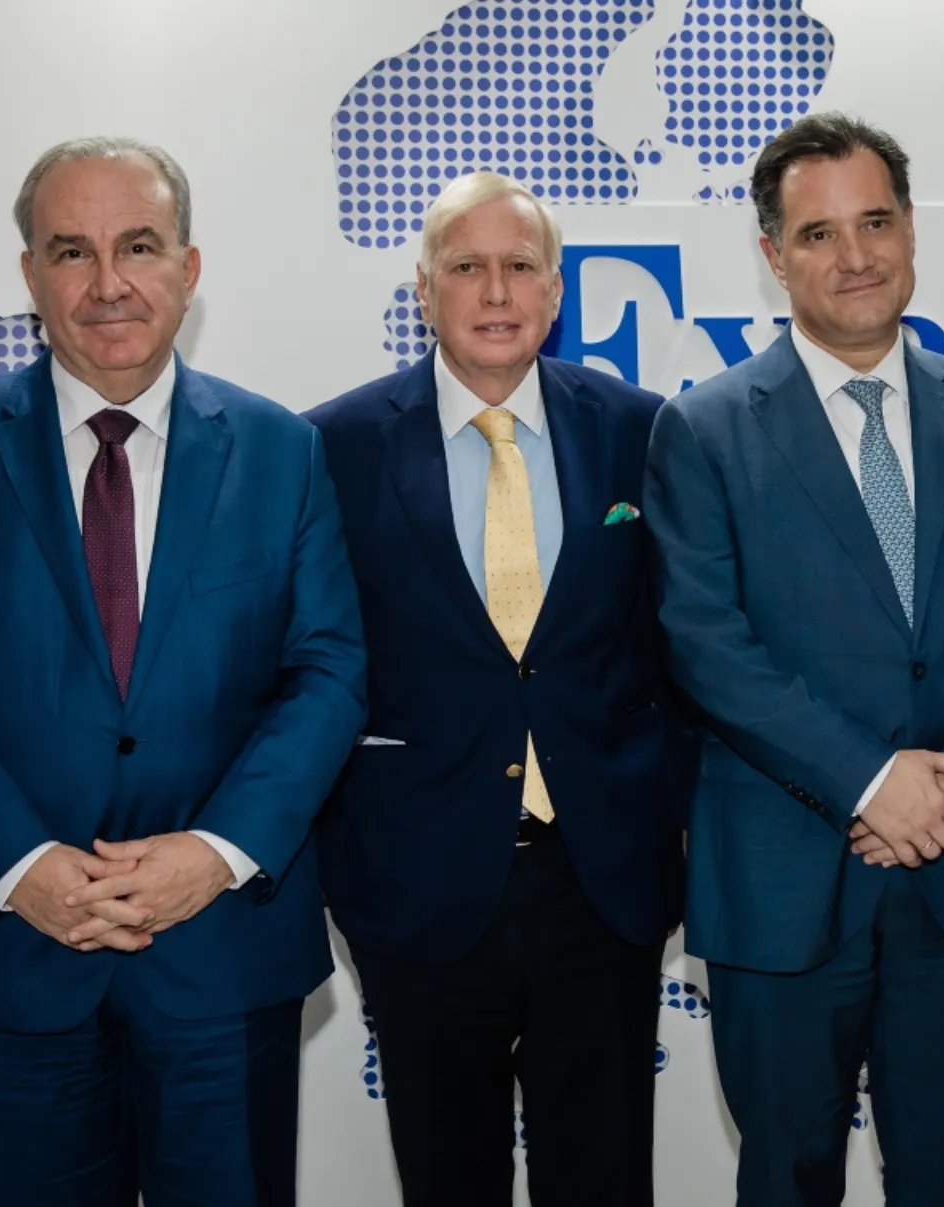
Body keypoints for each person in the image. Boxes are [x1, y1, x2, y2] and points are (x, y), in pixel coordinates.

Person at [0, 136, 366, 1207]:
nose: (108, 283)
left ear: (188, 266)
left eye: (138, 245)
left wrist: (215, 853)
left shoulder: (283, 450)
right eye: (70, 251)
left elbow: (327, 672)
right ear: (30, 275)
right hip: (17, 952)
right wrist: (21, 864)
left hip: (223, 952)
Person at [644, 113, 944, 1206]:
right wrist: (873, 781)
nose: (855, 255)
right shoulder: (704, 428)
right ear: (773, 256)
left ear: (911, 229)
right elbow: (705, 644)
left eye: (875, 222)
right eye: (818, 234)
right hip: (782, 883)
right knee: (785, 1177)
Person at [307, 171, 687, 1207]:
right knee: (447, 1178)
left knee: (605, 1180)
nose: (495, 291)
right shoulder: (332, 446)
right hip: (418, 877)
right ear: (423, 291)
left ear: (556, 290)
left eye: (520, 266)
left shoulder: (640, 429)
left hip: (601, 878)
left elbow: (678, 647)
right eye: (466, 267)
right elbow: (310, 664)